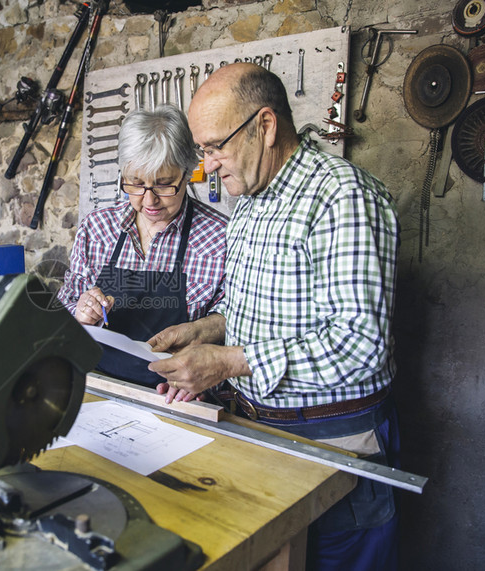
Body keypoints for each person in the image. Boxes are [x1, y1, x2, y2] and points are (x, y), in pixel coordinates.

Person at [147, 63, 401, 570]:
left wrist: (227, 363)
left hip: (336, 442)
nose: (207, 166)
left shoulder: (341, 198)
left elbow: (360, 344)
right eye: (202, 150)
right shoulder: (250, 201)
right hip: (263, 431)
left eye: (214, 146)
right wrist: (203, 330)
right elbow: (259, 308)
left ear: (265, 126)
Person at [57, 104, 228, 386]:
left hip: (180, 394)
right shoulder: (97, 228)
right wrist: (81, 311)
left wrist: (199, 331)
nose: (149, 201)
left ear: (187, 173)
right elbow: (65, 305)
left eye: (163, 185)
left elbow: (235, 321)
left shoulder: (219, 236)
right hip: (101, 385)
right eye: (136, 183)